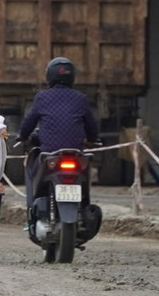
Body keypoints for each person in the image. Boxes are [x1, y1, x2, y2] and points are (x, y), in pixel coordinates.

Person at [18, 56, 101, 235]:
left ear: (49, 76)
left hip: (50, 155)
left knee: (31, 172)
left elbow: (28, 123)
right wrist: (93, 139)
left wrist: (23, 137)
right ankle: (83, 208)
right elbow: (91, 125)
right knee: (85, 182)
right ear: (73, 77)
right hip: (76, 154)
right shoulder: (80, 98)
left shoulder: (42, 97)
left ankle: (32, 213)